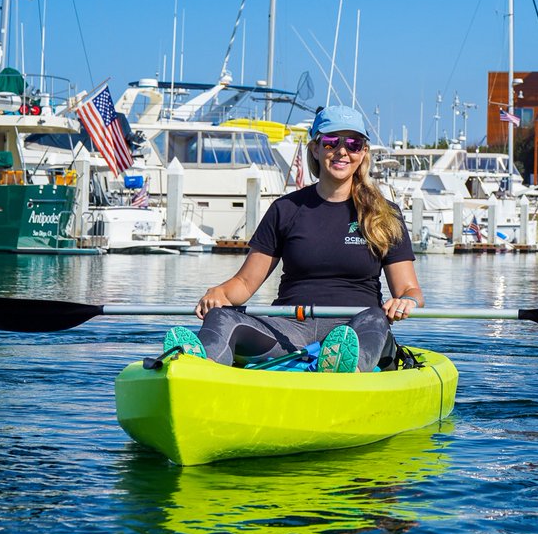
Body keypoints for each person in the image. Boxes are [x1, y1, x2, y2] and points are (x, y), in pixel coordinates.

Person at [164, 104, 423, 373]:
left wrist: (407, 302)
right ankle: (197, 367)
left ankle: (346, 371)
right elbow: (244, 282)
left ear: (363, 152)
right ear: (315, 148)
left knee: (376, 316)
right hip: (290, 328)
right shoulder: (285, 209)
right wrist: (219, 293)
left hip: (358, 326)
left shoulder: (385, 215)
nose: (342, 151)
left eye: (354, 144)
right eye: (332, 142)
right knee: (221, 317)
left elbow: (408, 290)